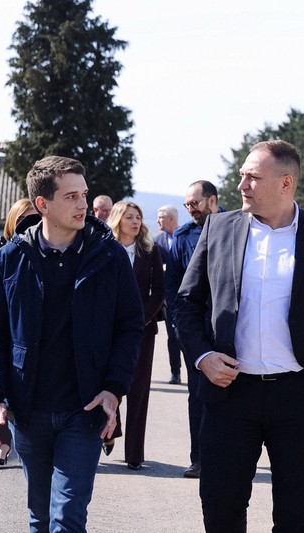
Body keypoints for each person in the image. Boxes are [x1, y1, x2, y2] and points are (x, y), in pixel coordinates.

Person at [173, 140, 304, 532]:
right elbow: (186, 303)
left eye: (252, 177)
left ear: (285, 183)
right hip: (230, 394)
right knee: (220, 509)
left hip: (302, 398)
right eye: (242, 175)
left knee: (295, 517)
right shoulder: (219, 228)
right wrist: (203, 357)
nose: (241, 184)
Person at [0, 155, 144, 532]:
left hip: (85, 409)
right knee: (39, 516)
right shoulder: (10, 258)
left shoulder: (110, 257)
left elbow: (130, 326)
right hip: (28, 409)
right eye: (71, 197)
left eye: (84, 194)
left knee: (67, 517)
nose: (83, 204)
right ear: (43, 204)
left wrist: (114, 389)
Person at [165, 180, 219, 479]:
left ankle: (231, 456)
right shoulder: (183, 237)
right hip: (194, 329)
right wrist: (177, 322)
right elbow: (173, 284)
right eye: (187, 204)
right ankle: (198, 459)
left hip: (228, 326)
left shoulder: (237, 226)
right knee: (197, 393)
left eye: (194, 203)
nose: (190, 209)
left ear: (212, 200)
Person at [105, 201, 165, 470]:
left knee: (139, 392)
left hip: (142, 331)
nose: (135, 222)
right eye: (129, 217)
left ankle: (134, 454)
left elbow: (159, 291)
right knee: (110, 383)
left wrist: (141, 319)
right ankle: (110, 430)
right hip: (109, 331)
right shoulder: (105, 250)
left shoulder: (151, 251)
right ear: (118, 219)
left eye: (138, 217)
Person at [0, 197, 37, 467]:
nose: (29, 222)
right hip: (3, 323)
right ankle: (2, 446)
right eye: (23, 217)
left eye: (33, 216)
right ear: (13, 220)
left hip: (26, 328)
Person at [153, 205, 183, 385]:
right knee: (172, 336)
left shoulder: (185, 236)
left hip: (187, 295)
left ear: (171, 219)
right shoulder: (156, 242)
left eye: (161, 217)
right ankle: (175, 372)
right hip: (168, 297)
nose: (158, 221)